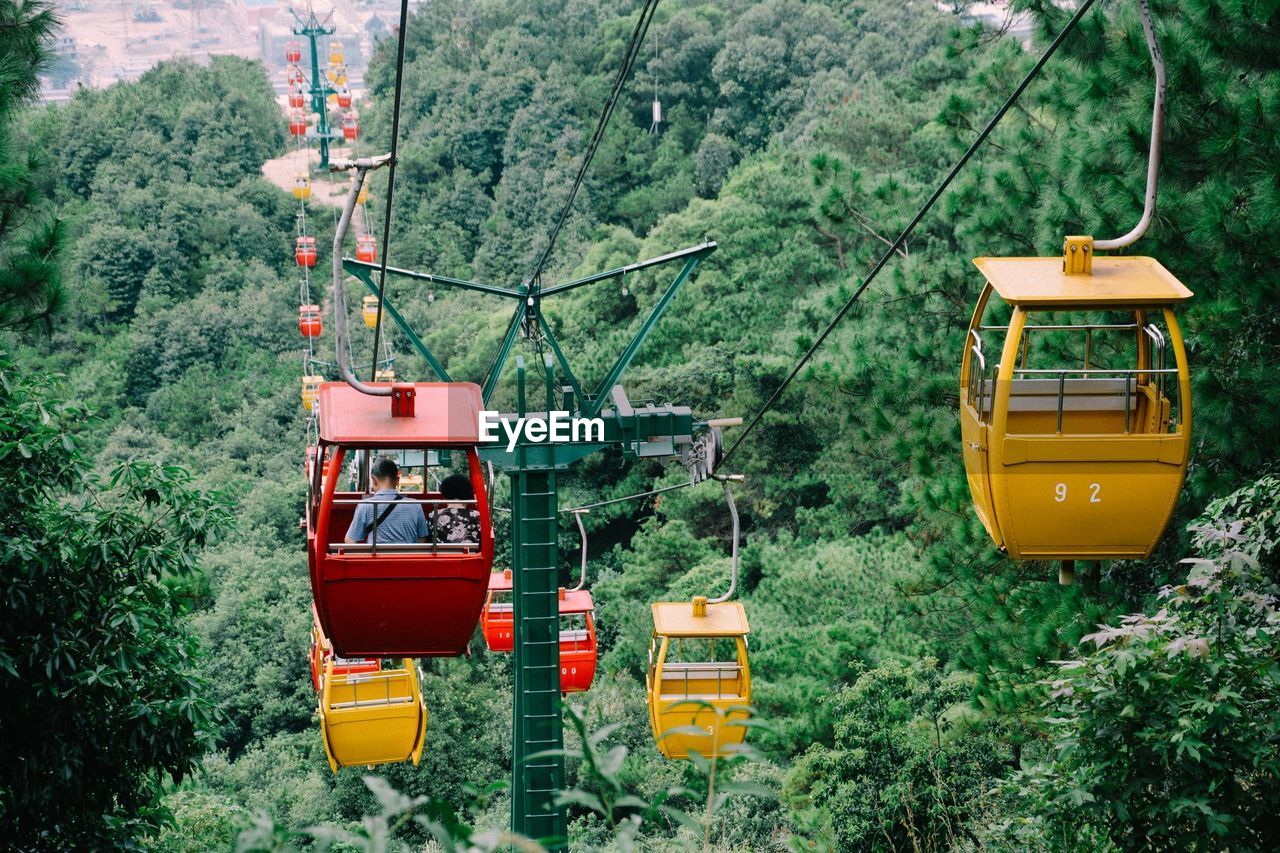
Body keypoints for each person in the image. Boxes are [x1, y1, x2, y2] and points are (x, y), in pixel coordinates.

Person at [345, 457, 431, 544]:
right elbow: (423, 538)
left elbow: (350, 540)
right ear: (397, 480)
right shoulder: (415, 505)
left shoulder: (365, 506)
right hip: (407, 556)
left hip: (376, 557)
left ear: (374, 480)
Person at [429, 473, 482, 547]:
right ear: (468, 493)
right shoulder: (477, 515)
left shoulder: (434, 514)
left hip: (442, 556)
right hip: (470, 556)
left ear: (445, 492)